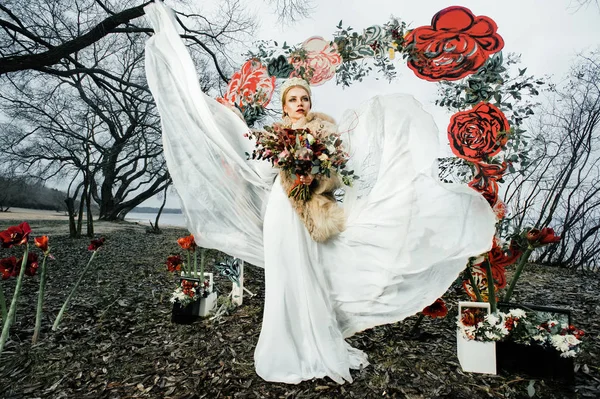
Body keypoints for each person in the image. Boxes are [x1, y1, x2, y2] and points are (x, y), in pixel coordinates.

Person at [144, 1, 496, 384]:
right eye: (293, 99)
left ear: (311, 104)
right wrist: (281, 159)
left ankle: (315, 342)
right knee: (282, 276)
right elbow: (262, 172)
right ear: (284, 105)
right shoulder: (271, 137)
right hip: (281, 210)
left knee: (309, 275)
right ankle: (285, 344)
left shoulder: (324, 133)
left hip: (311, 210)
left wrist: (312, 171)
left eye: (305, 99)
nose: (300, 104)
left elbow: (337, 179)